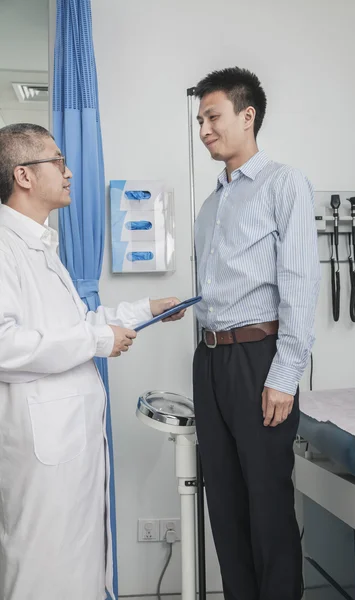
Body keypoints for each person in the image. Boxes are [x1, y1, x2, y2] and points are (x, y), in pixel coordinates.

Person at [0, 123, 185, 600]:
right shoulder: (4, 247)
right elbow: (5, 345)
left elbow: (77, 323)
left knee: (76, 569)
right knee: (41, 569)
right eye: (57, 162)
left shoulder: (41, 244)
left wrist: (144, 311)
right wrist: (96, 340)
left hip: (71, 443)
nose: (68, 172)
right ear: (23, 175)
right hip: (43, 451)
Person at [192, 68, 321, 600]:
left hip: (259, 359)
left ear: (247, 117)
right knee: (223, 502)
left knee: (267, 504)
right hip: (210, 359)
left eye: (213, 116)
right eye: (200, 119)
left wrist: (285, 376)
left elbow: (298, 284)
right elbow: (222, 286)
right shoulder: (211, 205)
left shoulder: (284, 184)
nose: (204, 129)